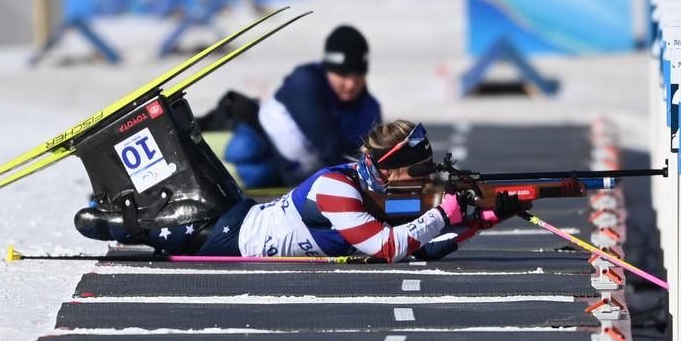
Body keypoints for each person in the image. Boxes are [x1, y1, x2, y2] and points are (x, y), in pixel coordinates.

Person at [86, 119, 530, 262]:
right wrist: (445, 214)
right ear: (391, 171)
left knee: (191, 154)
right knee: (164, 184)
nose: (427, 178)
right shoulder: (337, 188)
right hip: (217, 237)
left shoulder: (384, 193)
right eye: (419, 169)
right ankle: (113, 212)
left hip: (238, 214)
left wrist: (485, 219)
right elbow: (388, 248)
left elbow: (425, 249)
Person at [205, 25, 382, 188]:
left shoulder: (370, 109)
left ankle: (213, 181)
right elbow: (330, 146)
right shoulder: (306, 80)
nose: (350, 84)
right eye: (342, 75)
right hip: (258, 137)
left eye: (357, 76)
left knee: (260, 174)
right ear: (328, 70)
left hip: (284, 172)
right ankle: (196, 163)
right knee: (245, 148)